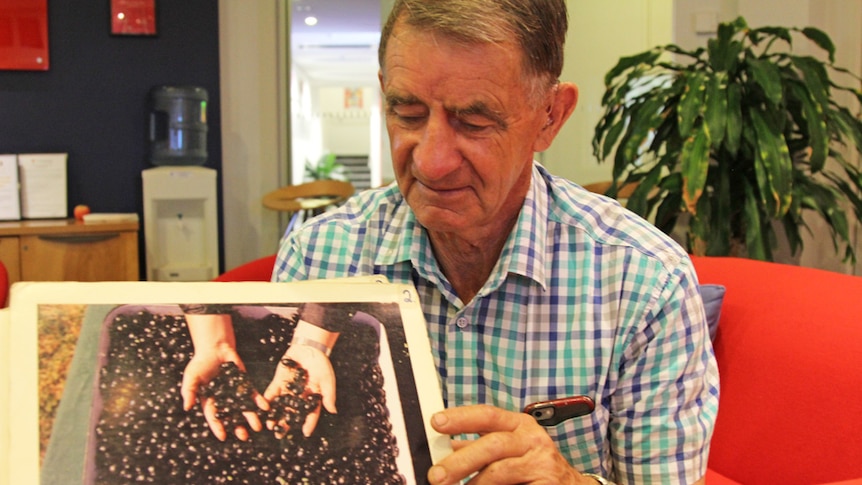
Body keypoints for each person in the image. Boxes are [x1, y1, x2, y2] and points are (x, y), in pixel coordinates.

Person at [188, 0, 719, 483]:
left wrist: (570, 481)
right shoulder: (320, 255)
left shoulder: (645, 283)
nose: (430, 160)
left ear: (550, 117)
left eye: (474, 120)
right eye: (407, 113)